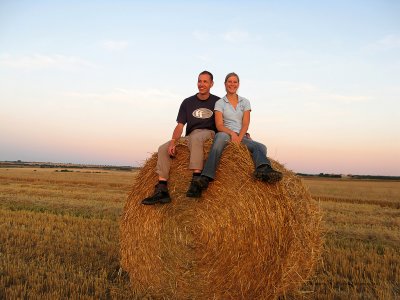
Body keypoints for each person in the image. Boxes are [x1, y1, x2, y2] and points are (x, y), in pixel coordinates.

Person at [188, 72, 282, 198]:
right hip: (226, 133)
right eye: (229, 82)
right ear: (225, 84)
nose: (232, 84)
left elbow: (246, 123)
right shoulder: (220, 103)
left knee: (261, 147)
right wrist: (232, 134)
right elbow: (219, 125)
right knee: (219, 139)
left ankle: (263, 169)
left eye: (235, 82)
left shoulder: (245, 102)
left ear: (238, 84)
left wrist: (240, 137)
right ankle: (206, 176)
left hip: (241, 135)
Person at [141, 71, 220, 205]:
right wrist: (173, 141)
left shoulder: (218, 102)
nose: (201, 84)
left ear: (211, 84)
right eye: (199, 81)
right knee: (163, 148)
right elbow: (180, 126)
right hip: (190, 135)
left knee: (196, 139)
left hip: (209, 133)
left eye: (205, 81)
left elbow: (226, 122)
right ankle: (162, 189)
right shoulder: (187, 102)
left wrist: (244, 134)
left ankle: (196, 180)